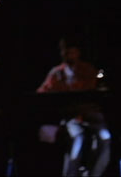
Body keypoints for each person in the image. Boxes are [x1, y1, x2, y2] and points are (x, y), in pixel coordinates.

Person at [37, 38, 111, 176]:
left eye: (72, 51)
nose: (69, 54)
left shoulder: (88, 70)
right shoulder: (56, 73)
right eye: (66, 52)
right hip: (69, 117)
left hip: (89, 114)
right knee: (77, 139)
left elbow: (94, 92)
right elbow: (42, 93)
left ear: (78, 52)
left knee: (105, 137)